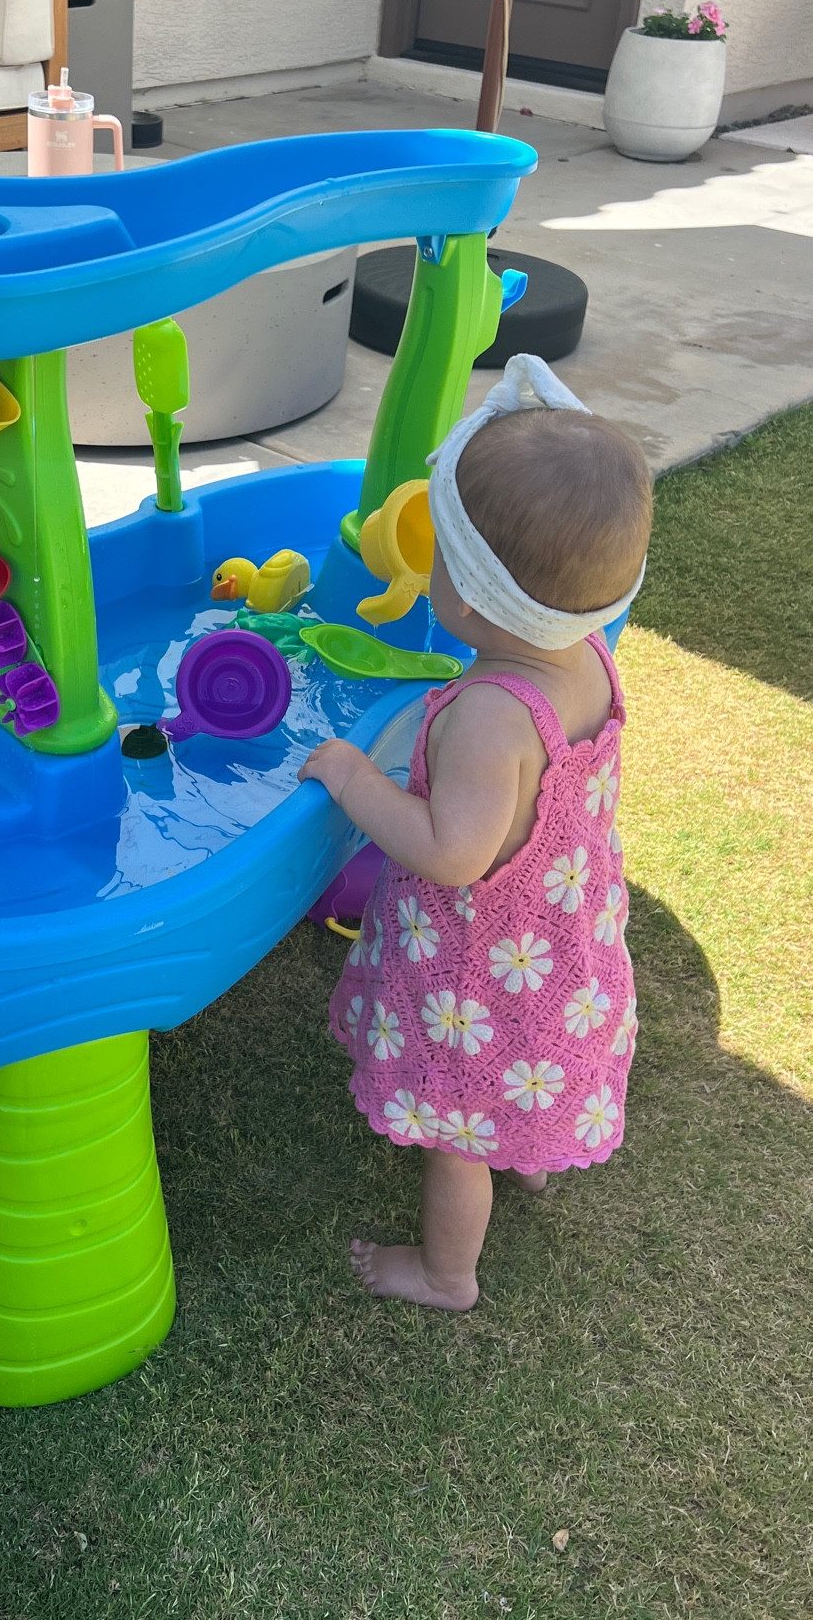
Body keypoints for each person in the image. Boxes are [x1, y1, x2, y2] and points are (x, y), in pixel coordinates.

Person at [300, 356, 652, 1311]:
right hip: (561, 951)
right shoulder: (584, 660)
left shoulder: (495, 712)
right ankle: (532, 1148)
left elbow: (454, 853)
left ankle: (446, 1271)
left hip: (481, 973)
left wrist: (354, 777)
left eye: (440, 560)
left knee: (458, 1134)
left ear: (476, 596)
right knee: (525, 1078)